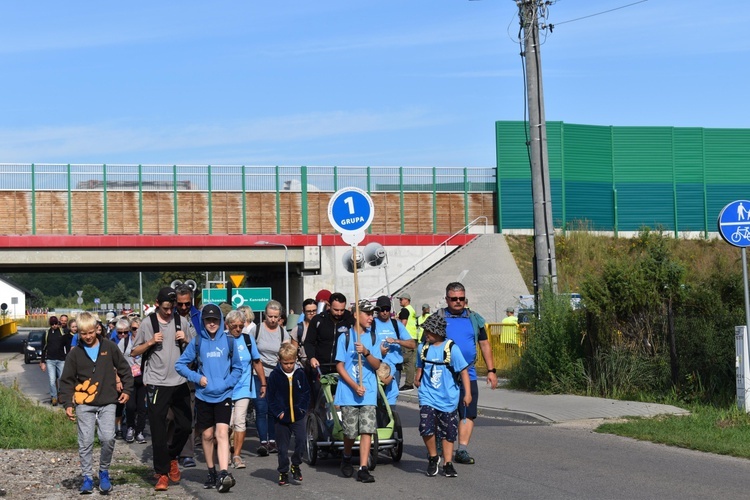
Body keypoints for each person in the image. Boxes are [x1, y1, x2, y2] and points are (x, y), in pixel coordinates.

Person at [59, 311, 133, 494]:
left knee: (108, 438)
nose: (88, 337)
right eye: (83, 334)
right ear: (78, 333)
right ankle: (86, 477)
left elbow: (124, 368)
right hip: (84, 402)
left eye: (91, 332)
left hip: (108, 400)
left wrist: (127, 390)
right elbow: (66, 380)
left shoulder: (109, 347)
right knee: (85, 441)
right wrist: (68, 403)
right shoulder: (75, 354)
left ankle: (104, 471)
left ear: (96, 329)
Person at [130, 286, 195, 492]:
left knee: (185, 426)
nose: (169, 311)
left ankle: (172, 457)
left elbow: (195, 349)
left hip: (179, 381)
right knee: (158, 430)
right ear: (157, 304)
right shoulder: (148, 323)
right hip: (157, 382)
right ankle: (162, 473)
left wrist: (185, 339)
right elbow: (134, 351)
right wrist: (150, 342)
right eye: (166, 307)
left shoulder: (181, 321)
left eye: (172, 307)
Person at [176, 303, 242, 493]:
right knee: (206, 435)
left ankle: (224, 473)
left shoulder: (229, 341)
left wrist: (227, 383)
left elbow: (238, 368)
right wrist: (197, 378)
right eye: (208, 320)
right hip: (204, 396)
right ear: (203, 321)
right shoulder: (197, 342)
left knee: (222, 434)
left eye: (215, 320)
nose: (212, 324)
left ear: (220, 321)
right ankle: (211, 471)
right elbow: (180, 365)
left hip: (223, 395)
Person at [440, 282, 498, 465]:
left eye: (461, 298)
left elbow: (485, 345)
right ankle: (441, 446)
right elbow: (425, 345)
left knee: (467, 413)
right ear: (447, 299)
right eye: (454, 299)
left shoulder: (474, 319)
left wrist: (491, 370)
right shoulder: (438, 318)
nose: (458, 302)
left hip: (469, 374)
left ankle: (462, 449)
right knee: (442, 412)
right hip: (443, 374)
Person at [414, 314, 471, 478]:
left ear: (437, 331)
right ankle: (433, 457)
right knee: (425, 428)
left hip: (448, 397)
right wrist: (417, 376)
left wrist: (467, 394)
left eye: (429, 332)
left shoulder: (451, 348)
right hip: (427, 395)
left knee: (448, 432)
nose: (426, 334)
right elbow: (420, 364)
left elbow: (464, 372)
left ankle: (447, 463)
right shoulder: (423, 347)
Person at [335, 300, 382, 484]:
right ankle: (347, 456)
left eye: (373, 314)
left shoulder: (372, 337)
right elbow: (339, 365)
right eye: (367, 313)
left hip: (369, 391)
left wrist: (367, 352)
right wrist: (354, 386)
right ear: (356, 314)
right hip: (349, 391)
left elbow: (377, 364)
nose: (371, 317)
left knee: (367, 429)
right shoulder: (344, 337)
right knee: (350, 432)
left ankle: (363, 468)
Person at [226, 309, 267, 470]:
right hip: (226, 389)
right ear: (228, 325)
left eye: (240, 326)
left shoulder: (247, 340)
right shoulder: (222, 339)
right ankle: (225, 453)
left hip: (244, 387)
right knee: (226, 424)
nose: (237, 329)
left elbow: (257, 362)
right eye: (234, 326)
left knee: (240, 422)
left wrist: (263, 383)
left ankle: (236, 455)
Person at [254, 300, 293, 457]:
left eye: (276, 317)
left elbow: (287, 354)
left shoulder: (284, 333)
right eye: (270, 316)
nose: (272, 320)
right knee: (261, 407)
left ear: (280, 317)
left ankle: (272, 441)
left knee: (273, 409)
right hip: (258, 373)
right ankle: (263, 441)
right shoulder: (256, 330)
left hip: (276, 375)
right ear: (265, 315)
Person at [268, 343, 310, 486]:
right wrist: (279, 413)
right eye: (285, 363)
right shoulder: (275, 376)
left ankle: (296, 465)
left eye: (291, 363)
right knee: (283, 448)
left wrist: (302, 410)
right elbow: (271, 398)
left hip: (298, 416)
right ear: (280, 361)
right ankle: (283, 471)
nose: (289, 366)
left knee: (301, 441)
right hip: (282, 418)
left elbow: (306, 393)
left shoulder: (300, 374)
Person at [172, 283, 200, 468]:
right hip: (168, 373)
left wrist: (187, 340)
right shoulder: (167, 317)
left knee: (188, 413)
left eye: (187, 304)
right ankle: (171, 449)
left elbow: (204, 343)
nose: (183, 308)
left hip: (190, 372)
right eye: (180, 304)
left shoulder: (198, 317)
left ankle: (187, 453)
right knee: (169, 416)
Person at [372, 295, 415, 403]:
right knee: (377, 398)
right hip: (376, 367)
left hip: (394, 368)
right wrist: (379, 351)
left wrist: (397, 341)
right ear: (377, 310)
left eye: (387, 309)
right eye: (382, 309)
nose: (385, 312)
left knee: (391, 399)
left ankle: (391, 418)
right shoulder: (371, 324)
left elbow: (412, 344)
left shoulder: (396, 324)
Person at [304, 292, 354, 376]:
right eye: (336, 310)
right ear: (329, 306)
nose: (339, 313)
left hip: (343, 369)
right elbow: (309, 342)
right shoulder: (318, 320)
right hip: (320, 368)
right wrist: (312, 357)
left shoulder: (350, 320)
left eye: (342, 310)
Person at [119, 317, 147, 445]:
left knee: (142, 407)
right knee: (130, 406)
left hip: (143, 378)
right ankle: (130, 427)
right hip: (129, 378)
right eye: (134, 328)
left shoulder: (146, 342)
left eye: (139, 328)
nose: (136, 331)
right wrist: (118, 378)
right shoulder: (124, 342)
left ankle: (139, 431)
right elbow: (116, 360)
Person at [40, 315, 72, 406]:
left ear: (58, 323)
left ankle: (61, 395)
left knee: (62, 378)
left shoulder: (62, 332)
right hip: (50, 360)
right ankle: (54, 397)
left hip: (61, 359)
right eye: (52, 324)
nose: (54, 325)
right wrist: (42, 362)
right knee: (52, 380)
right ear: (50, 324)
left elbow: (67, 345)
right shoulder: (47, 333)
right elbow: (43, 348)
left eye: (55, 323)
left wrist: (68, 357)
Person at [112, 319, 131, 440]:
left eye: (125, 332)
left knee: (131, 406)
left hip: (130, 376)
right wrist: (117, 380)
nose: (122, 335)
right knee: (118, 405)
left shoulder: (132, 341)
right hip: (117, 377)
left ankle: (130, 427)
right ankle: (118, 429)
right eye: (120, 332)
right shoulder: (112, 343)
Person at [397, 293, 419, 391]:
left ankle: (408, 383)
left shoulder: (405, 310)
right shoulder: (411, 309)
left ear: (406, 300)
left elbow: (403, 324)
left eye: (401, 299)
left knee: (405, 361)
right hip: (413, 338)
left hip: (407, 338)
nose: (400, 301)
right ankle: (409, 383)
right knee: (410, 362)